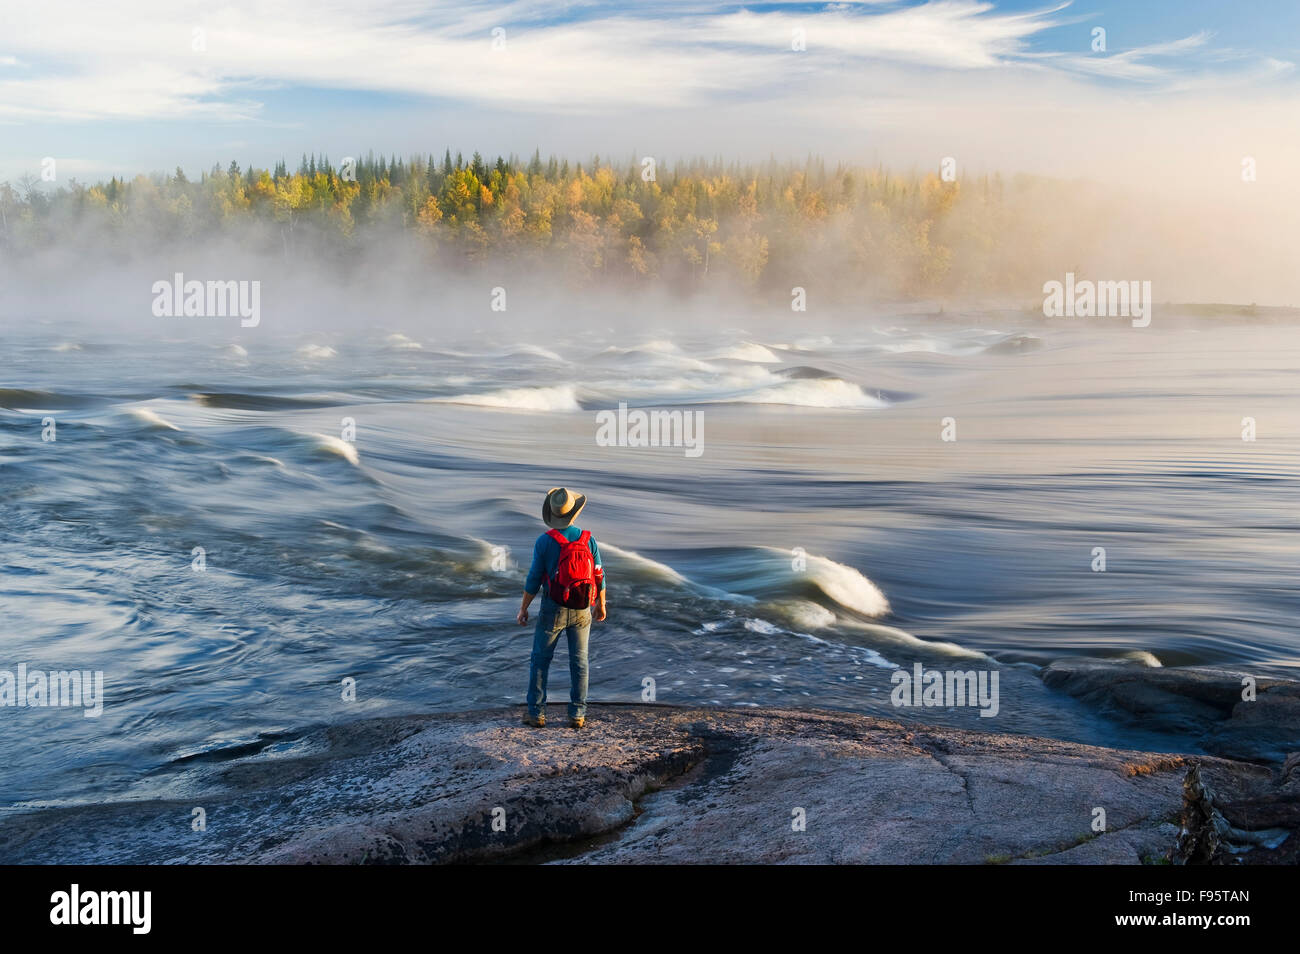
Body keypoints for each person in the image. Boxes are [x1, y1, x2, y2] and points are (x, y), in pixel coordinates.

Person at [517, 487, 607, 729]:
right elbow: (599, 573)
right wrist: (601, 604)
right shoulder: (589, 539)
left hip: (553, 607)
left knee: (540, 660)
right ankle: (577, 714)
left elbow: (534, 579)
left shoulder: (544, 542)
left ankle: (536, 713)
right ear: (574, 513)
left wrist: (523, 608)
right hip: (582, 608)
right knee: (580, 661)